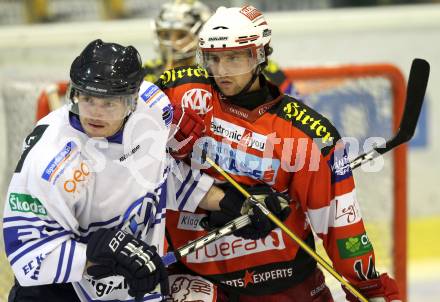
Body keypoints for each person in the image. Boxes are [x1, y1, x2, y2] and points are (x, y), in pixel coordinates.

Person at [158, 5, 402, 302]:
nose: (220, 71)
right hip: (200, 280)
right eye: (213, 59)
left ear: (259, 54)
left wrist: (369, 289)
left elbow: (340, 222)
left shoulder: (307, 132)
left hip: (287, 282)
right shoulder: (180, 94)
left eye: (233, 58)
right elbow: (120, 144)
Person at [3, 39, 222, 302]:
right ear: (75, 94)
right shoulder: (50, 161)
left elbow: (157, 175)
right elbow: (27, 257)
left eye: (109, 103)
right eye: (88, 98)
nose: (96, 113)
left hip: (129, 289)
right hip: (57, 293)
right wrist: (103, 254)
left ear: (132, 101)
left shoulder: (153, 106)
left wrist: (230, 202)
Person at [35, 0, 293, 122]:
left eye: (178, 34)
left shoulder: (263, 70)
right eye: (164, 35)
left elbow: (289, 108)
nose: (170, 42)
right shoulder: (149, 72)